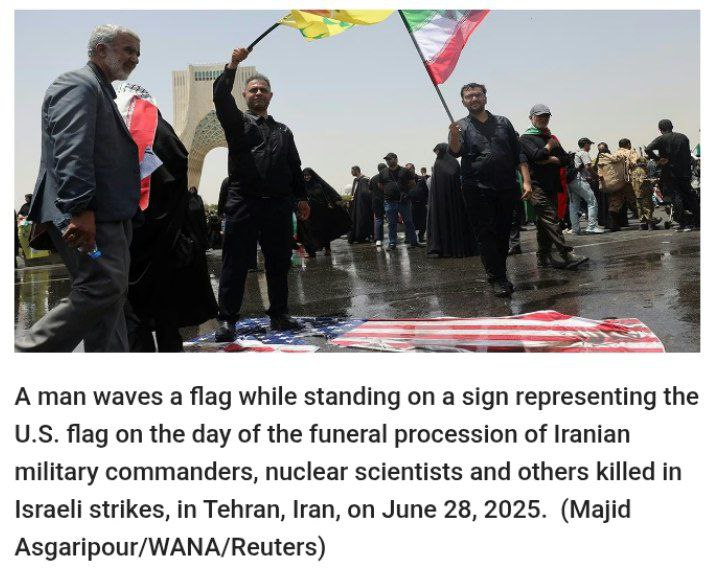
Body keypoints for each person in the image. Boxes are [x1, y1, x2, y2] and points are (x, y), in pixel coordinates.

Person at [15, 24, 142, 352]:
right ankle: (28, 352)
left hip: (107, 216)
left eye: (137, 53)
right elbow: (72, 149)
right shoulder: (77, 84)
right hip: (88, 218)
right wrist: (80, 209)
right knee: (103, 286)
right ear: (101, 50)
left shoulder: (101, 90)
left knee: (111, 299)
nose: (135, 59)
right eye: (128, 50)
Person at [212, 46, 310, 342]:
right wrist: (233, 64)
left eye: (263, 90)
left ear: (271, 96)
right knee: (235, 263)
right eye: (253, 90)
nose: (258, 93)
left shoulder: (284, 131)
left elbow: (294, 165)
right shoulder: (236, 122)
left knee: (278, 262)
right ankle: (227, 320)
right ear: (245, 95)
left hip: (278, 206)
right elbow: (220, 95)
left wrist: (301, 197)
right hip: (244, 202)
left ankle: (279, 314)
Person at [125, 108, 217, 352]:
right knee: (165, 310)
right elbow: (176, 163)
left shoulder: (131, 135)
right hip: (165, 234)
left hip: (138, 232)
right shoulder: (162, 136)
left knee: (137, 312)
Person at [448, 83, 532, 296]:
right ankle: (497, 278)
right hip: (476, 187)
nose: (474, 99)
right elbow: (455, 151)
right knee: (485, 233)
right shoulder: (461, 126)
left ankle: (500, 272)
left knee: (503, 231)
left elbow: (518, 153)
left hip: (506, 185)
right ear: (463, 102)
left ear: (485, 97)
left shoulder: (503, 122)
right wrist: (453, 135)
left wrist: (526, 181)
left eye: (477, 95)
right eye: (469, 96)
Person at [519, 104, 588, 270]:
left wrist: (551, 159)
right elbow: (537, 156)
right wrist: (550, 146)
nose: (543, 119)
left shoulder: (549, 137)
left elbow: (566, 159)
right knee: (551, 219)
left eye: (546, 116)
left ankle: (542, 258)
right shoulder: (525, 139)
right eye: (539, 116)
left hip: (551, 186)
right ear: (531, 118)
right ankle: (566, 254)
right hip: (536, 187)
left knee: (545, 224)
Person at [646, 119, 699, 231]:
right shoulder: (683, 137)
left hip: (670, 173)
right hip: (685, 172)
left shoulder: (661, 139)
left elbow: (648, 149)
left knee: (676, 197)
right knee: (690, 197)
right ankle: (698, 221)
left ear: (660, 129)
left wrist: (658, 159)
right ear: (672, 126)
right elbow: (687, 156)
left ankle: (684, 224)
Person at [425, 143, 477, 259]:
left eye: (438, 151)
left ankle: (456, 248)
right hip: (442, 201)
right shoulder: (439, 163)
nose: (437, 154)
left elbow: (456, 176)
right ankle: (444, 248)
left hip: (454, 199)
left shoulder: (452, 162)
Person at [296, 167, 350, 257]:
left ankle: (327, 249)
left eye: (308, 175)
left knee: (324, 231)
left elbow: (330, 193)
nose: (306, 177)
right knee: (311, 232)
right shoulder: (302, 187)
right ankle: (312, 251)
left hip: (322, 213)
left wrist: (337, 201)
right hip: (310, 215)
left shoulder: (319, 184)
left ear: (312, 175)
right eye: (305, 175)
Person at [378, 153, 420, 250]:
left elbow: (412, 183)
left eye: (390, 159)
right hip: (389, 202)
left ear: (396, 159)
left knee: (408, 222)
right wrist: (389, 191)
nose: (388, 161)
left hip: (403, 201)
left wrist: (406, 193)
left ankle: (414, 242)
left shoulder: (405, 171)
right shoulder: (383, 172)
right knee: (392, 223)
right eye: (387, 159)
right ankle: (392, 243)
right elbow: (380, 185)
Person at [613, 139, 656, 230]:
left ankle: (642, 222)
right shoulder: (631, 152)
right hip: (637, 176)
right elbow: (637, 162)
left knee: (637, 200)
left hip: (622, 180)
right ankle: (649, 222)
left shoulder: (615, 154)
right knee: (645, 198)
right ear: (628, 144)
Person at [568, 138, 603, 234]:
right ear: (586, 144)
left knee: (573, 206)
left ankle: (575, 229)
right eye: (589, 145)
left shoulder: (575, 154)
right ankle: (591, 227)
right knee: (592, 202)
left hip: (571, 182)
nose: (590, 147)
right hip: (580, 181)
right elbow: (588, 167)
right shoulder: (584, 153)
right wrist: (597, 176)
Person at [347, 166, 373, 243]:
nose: (351, 173)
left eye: (352, 171)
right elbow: (354, 193)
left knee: (362, 219)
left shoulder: (364, 179)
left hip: (362, 205)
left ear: (356, 171)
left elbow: (365, 193)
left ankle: (363, 236)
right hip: (355, 204)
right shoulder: (356, 180)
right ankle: (355, 236)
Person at [407, 163, 429, 242]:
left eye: (410, 169)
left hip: (421, 204)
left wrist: (425, 200)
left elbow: (426, 191)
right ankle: (410, 238)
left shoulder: (421, 179)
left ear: (413, 169)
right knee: (410, 222)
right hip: (411, 204)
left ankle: (421, 236)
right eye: (407, 170)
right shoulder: (405, 180)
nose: (409, 171)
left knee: (423, 222)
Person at [369, 163, 386, 246]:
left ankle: (378, 239)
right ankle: (393, 238)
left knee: (378, 219)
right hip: (386, 200)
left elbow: (370, 190)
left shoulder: (373, 178)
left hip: (376, 201)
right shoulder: (386, 177)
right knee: (391, 219)